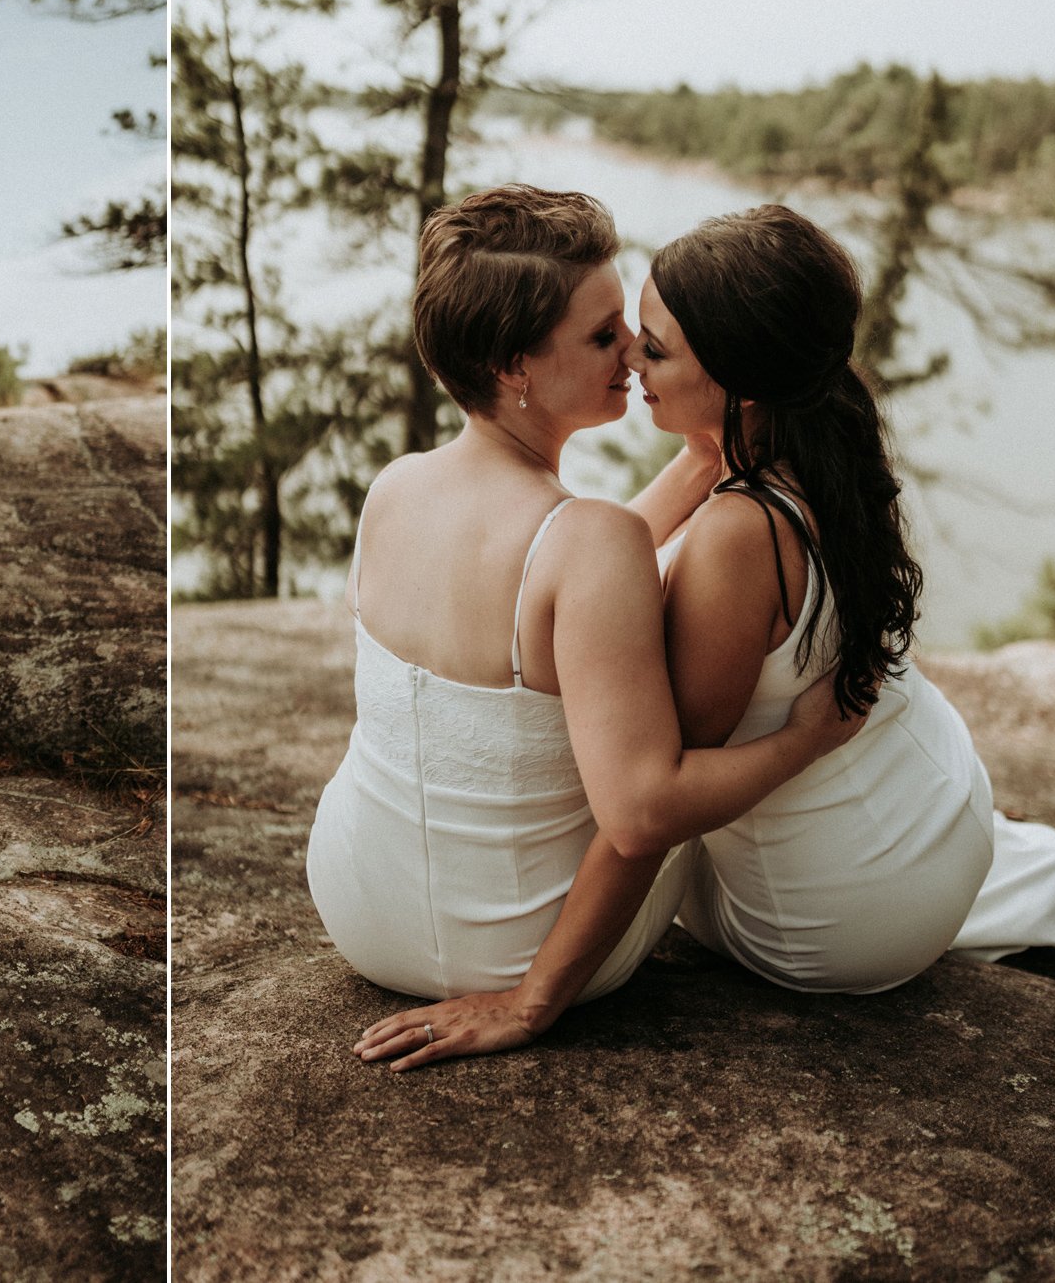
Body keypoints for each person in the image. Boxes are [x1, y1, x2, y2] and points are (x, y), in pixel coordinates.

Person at [306, 185, 867, 1075]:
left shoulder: (395, 490)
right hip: (516, 945)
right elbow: (643, 814)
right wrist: (808, 738)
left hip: (356, 905)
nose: (635, 354)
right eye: (604, 335)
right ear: (514, 366)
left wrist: (698, 461)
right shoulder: (591, 542)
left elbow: (549, 578)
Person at [625, 203, 1055, 989]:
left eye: (654, 349)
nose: (631, 360)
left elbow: (663, 796)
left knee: (605, 764)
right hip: (944, 801)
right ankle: (1033, 868)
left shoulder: (738, 532)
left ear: (741, 387)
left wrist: (537, 995)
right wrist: (711, 439)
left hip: (827, 926)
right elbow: (611, 553)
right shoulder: (819, 443)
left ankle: (1025, 871)